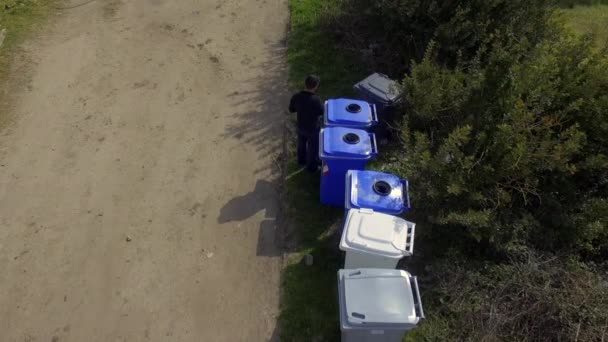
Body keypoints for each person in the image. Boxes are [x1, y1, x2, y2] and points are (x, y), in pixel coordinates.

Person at [288, 75, 324, 172]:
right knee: (313, 148)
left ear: (305, 84)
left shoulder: (296, 96)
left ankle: (301, 160)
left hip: (300, 126)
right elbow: (321, 112)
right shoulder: (316, 100)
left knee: (301, 144)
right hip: (312, 129)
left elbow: (291, 109)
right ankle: (312, 168)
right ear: (316, 86)